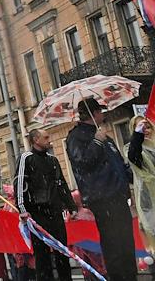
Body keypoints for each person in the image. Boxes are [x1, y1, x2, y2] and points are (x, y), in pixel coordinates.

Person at [65, 98, 136, 281]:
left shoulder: (104, 136)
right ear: (94, 113)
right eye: (101, 111)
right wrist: (96, 141)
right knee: (113, 243)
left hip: (118, 195)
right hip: (102, 197)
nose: (103, 115)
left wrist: (134, 178)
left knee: (126, 242)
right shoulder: (76, 137)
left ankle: (130, 276)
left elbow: (118, 164)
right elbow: (83, 163)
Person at [15, 128, 75, 281]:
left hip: (55, 212)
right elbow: (20, 184)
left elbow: (61, 184)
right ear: (36, 140)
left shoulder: (53, 160)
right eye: (46, 137)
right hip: (37, 213)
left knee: (62, 252)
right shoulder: (26, 158)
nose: (50, 140)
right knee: (42, 256)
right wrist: (22, 209)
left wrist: (71, 206)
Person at [128, 115, 155, 248]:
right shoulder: (133, 149)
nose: (146, 130)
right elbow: (134, 157)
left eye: (148, 127)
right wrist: (138, 136)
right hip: (149, 202)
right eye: (141, 128)